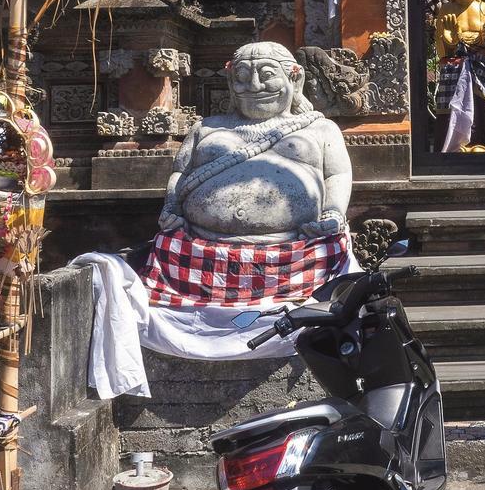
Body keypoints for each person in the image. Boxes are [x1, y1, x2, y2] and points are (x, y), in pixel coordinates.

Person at [145, 41, 352, 307]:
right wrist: (171, 208)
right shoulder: (206, 128)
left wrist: (333, 213)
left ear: (295, 78)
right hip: (199, 251)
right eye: (241, 78)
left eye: (267, 76)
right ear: (231, 83)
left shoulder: (320, 129)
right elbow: (180, 172)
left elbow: (337, 174)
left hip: (297, 250)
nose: (253, 86)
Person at [432, 0, 485, 153]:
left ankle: (482, 143)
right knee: (454, 106)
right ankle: (455, 145)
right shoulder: (446, 9)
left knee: (483, 107)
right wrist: (451, 37)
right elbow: (443, 48)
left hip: (482, 68)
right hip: (456, 68)